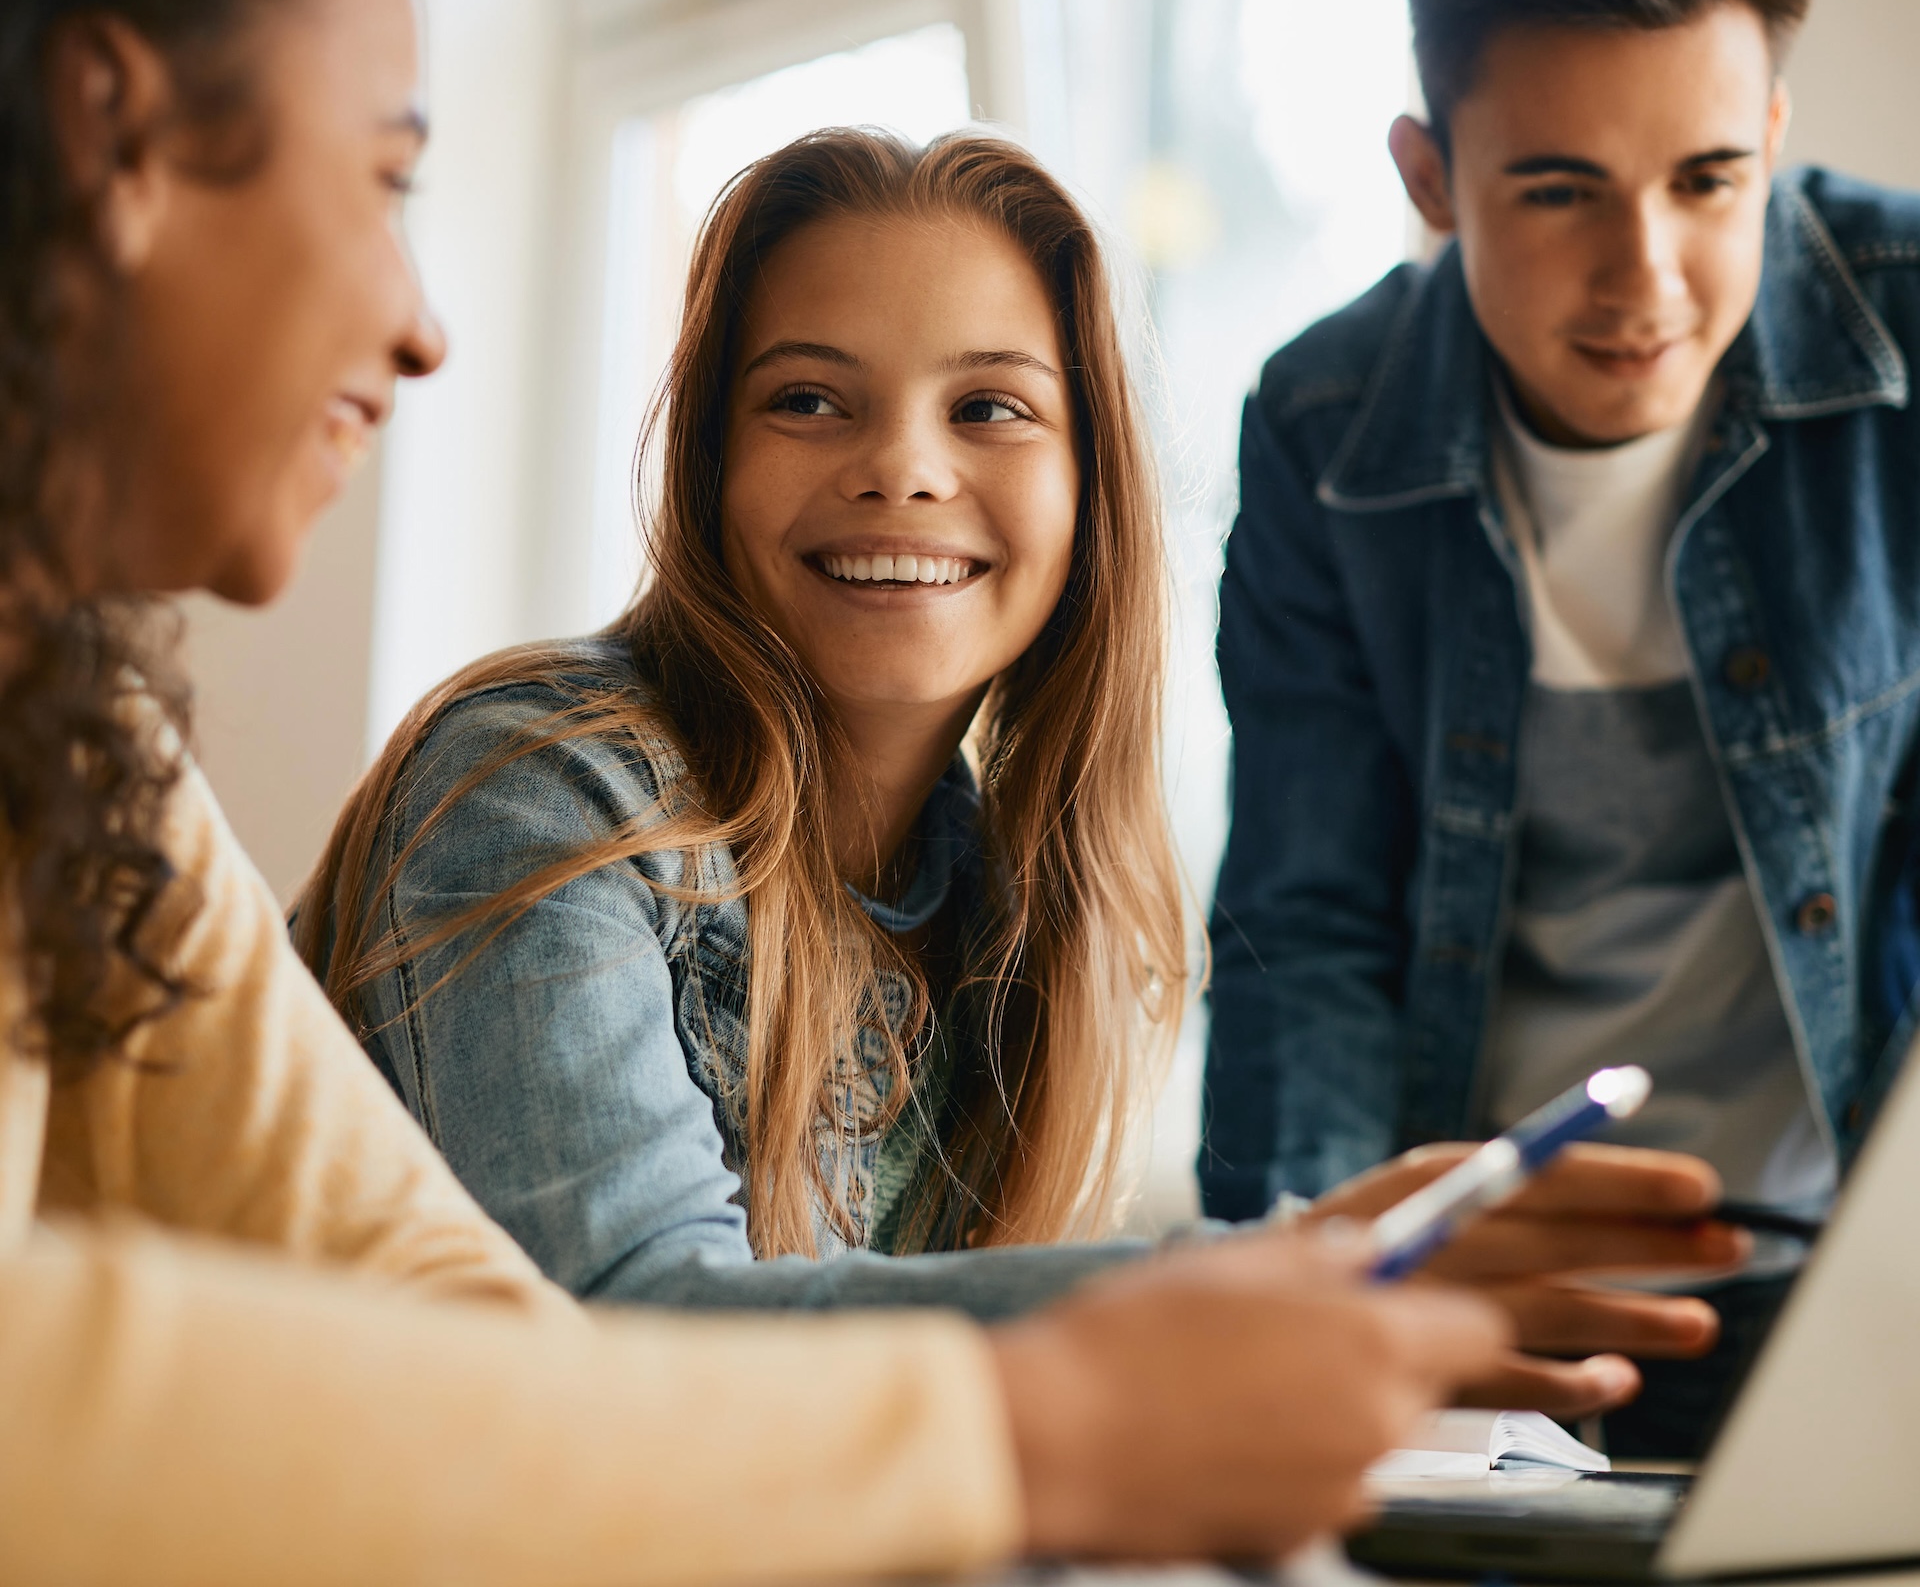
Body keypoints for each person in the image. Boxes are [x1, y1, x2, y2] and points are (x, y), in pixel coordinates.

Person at [0, 0, 1533, 1578]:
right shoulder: (544, 786)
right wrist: (1079, 1393)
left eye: (991, 407)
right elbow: (597, 1338)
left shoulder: (88, 762)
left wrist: (1280, 1288)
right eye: (386, 181)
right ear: (113, 138)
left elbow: (472, 1324)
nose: (427, 326)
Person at [295, 119, 1743, 1415]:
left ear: (1089, 487)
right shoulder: (543, 786)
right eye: (808, 400)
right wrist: (1258, 1280)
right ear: (708, 463)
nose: (903, 469)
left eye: (988, 407)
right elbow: (633, 1331)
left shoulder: (1014, 904)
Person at [1203, 0, 1920, 1457]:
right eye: (1558, 190)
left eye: (1708, 180)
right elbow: (1308, 929)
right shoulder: (1324, 426)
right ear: (1430, 179)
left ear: (1773, 134)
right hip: (1495, 1301)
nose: (1643, 277)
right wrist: (1310, 1301)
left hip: (1867, 1280)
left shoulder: (1909, 323)